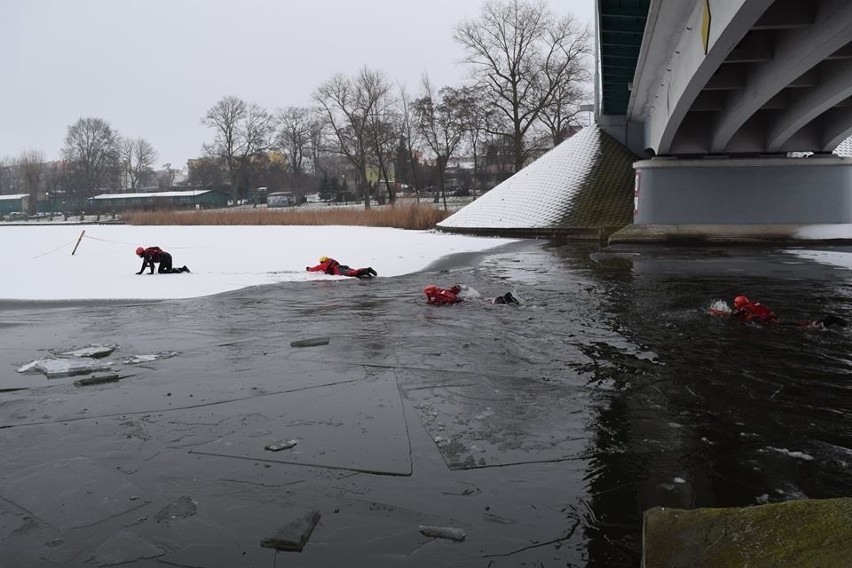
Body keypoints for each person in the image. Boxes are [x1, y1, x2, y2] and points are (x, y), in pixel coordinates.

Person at [424, 284, 519, 306]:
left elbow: (450, 294)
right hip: (460, 300)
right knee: (482, 301)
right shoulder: (440, 293)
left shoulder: (435, 298)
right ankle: (502, 299)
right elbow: (452, 292)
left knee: (482, 302)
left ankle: (502, 300)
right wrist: (457, 288)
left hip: (460, 303)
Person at [306, 256, 377, 279]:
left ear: (322, 261)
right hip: (342, 266)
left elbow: (314, 269)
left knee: (350, 273)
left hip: (338, 270)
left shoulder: (324, 264)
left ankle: (364, 270)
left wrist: (308, 268)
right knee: (353, 271)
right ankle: (366, 270)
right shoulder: (331, 260)